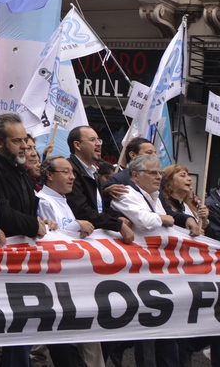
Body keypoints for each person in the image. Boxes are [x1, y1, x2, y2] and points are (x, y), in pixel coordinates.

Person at [110, 153, 182, 366]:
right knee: (148, 331)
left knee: (166, 332)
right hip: (140, 271)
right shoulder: (126, 193)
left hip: (162, 269)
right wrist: (162, 218)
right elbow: (143, 221)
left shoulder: (156, 197)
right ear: (136, 175)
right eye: (153, 173)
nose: (159, 177)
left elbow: (169, 220)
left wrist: (181, 219)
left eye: (159, 173)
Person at [35, 156, 100, 367]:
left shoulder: (63, 200)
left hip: (72, 277)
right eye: (66, 172)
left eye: (72, 172)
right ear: (49, 175)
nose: (72, 177)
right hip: (56, 280)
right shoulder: (43, 201)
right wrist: (76, 225)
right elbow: (50, 237)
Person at [64, 126, 134, 243]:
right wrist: (117, 224)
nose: (99, 144)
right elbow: (82, 211)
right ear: (77, 145)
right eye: (92, 140)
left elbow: (98, 208)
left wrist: (117, 217)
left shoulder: (93, 173)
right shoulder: (70, 171)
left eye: (99, 140)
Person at [0, 113, 50, 239]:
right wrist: (33, 226)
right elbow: (3, 213)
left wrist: (41, 222)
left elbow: (27, 210)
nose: (24, 146)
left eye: (25, 139)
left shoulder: (21, 171)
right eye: (17, 140)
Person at [162, 164, 210, 233]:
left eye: (188, 175)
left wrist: (204, 220)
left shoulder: (191, 208)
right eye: (183, 175)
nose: (189, 179)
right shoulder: (162, 205)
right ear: (170, 181)